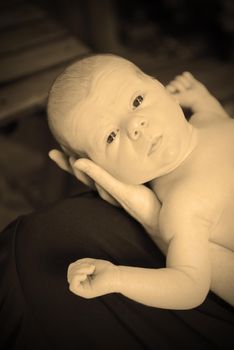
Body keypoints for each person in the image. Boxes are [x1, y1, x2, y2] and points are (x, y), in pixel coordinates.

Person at [47, 53, 234, 309]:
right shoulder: (182, 207)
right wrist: (119, 278)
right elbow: (189, 285)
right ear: (102, 171)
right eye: (111, 136)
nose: (135, 124)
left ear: (159, 86)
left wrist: (201, 97)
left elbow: (219, 119)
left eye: (137, 100)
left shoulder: (207, 120)